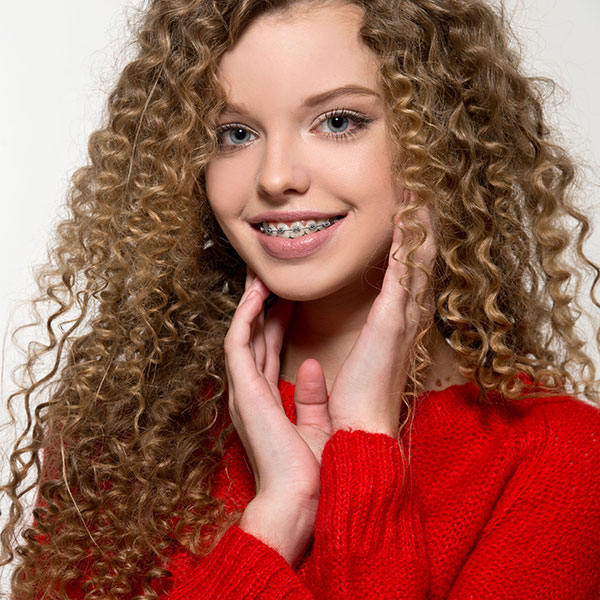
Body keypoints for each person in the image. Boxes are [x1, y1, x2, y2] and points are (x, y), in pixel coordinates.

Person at [2, 0, 600, 598]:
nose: (275, 176)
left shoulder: (559, 460)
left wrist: (363, 443)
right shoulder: (119, 430)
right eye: (234, 134)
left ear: (442, 139)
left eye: (338, 121)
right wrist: (277, 515)